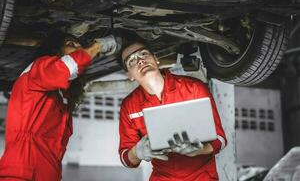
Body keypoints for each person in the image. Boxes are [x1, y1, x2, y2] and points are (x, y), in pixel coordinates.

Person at [0, 30, 118, 181]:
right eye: (70, 44)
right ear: (55, 49)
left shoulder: (61, 97)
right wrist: (97, 46)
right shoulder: (37, 69)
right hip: (21, 172)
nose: (78, 49)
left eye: (80, 47)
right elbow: (65, 67)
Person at [118, 37, 227, 181]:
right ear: (130, 75)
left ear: (156, 59)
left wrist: (199, 150)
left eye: (144, 54)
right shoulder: (129, 106)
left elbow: (220, 139)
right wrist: (137, 152)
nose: (140, 61)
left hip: (202, 176)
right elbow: (126, 159)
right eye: (131, 61)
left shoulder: (194, 88)